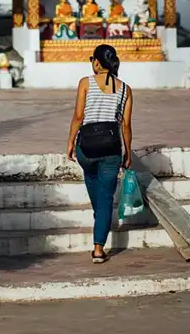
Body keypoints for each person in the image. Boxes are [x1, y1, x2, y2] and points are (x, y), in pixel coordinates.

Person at [66, 44, 133, 264]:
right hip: (112, 149)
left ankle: (98, 239)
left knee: (97, 193)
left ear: (96, 62)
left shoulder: (85, 83)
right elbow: (125, 125)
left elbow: (78, 116)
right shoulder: (125, 89)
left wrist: (69, 143)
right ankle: (98, 247)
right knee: (105, 199)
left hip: (87, 148)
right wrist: (128, 152)